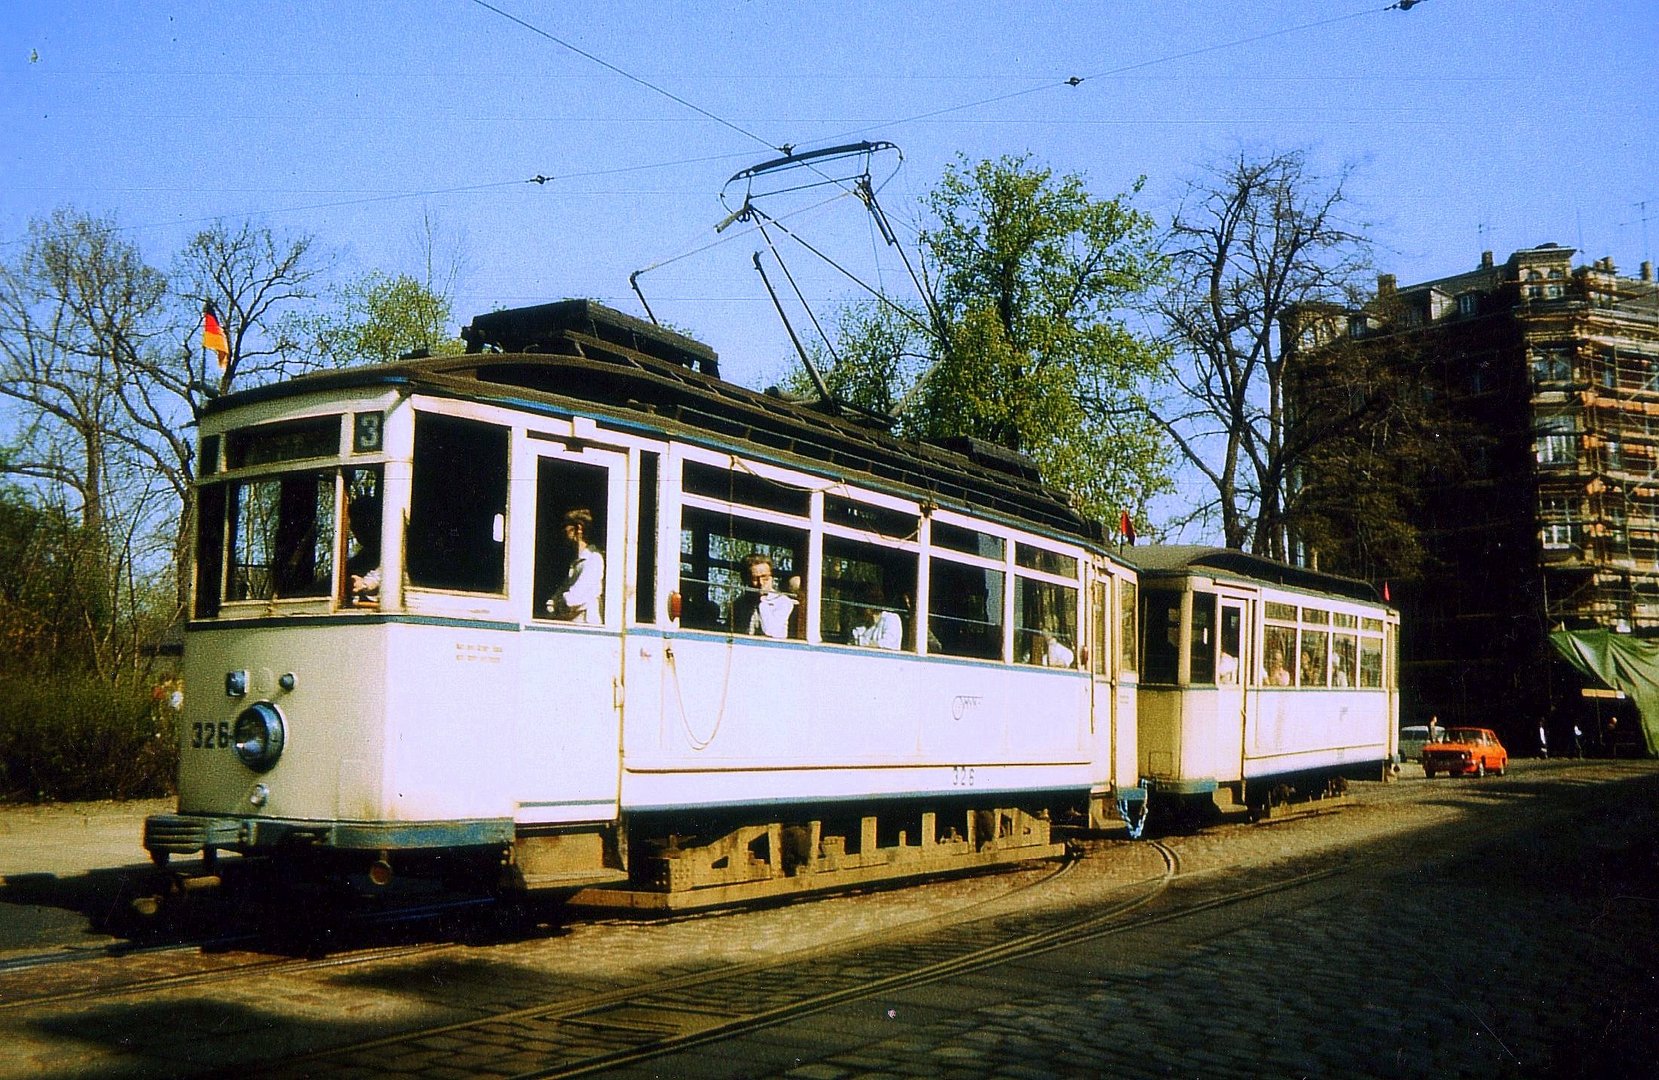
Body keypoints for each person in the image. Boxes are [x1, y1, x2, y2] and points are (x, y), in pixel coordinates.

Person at [546, 508, 603, 623]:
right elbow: (553, 601)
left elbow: (573, 599)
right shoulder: (576, 563)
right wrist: (555, 603)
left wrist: (559, 604)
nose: (563, 531)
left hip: (587, 628)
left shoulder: (593, 559)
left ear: (578, 529)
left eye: (565, 527)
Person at [732, 553, 795, 639]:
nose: (761, 583)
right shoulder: (739, 604)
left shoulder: (783, 602)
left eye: (765, 577)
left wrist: (763, 600)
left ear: (771, 577)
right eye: (755, 579)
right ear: (746, 579)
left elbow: (770, 631)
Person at [346, 493, 382, 605]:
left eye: (361, 522)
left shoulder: (393, 553)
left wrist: (364, 584)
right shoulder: (361, 559)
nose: (353, 528)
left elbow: (386, 574)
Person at [849, 583, 902, 650]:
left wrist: (862, 643)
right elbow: (852, 643)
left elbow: (887, 644)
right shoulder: (859, 625)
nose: (858, 609)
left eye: (861, 604)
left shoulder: (891, 619)